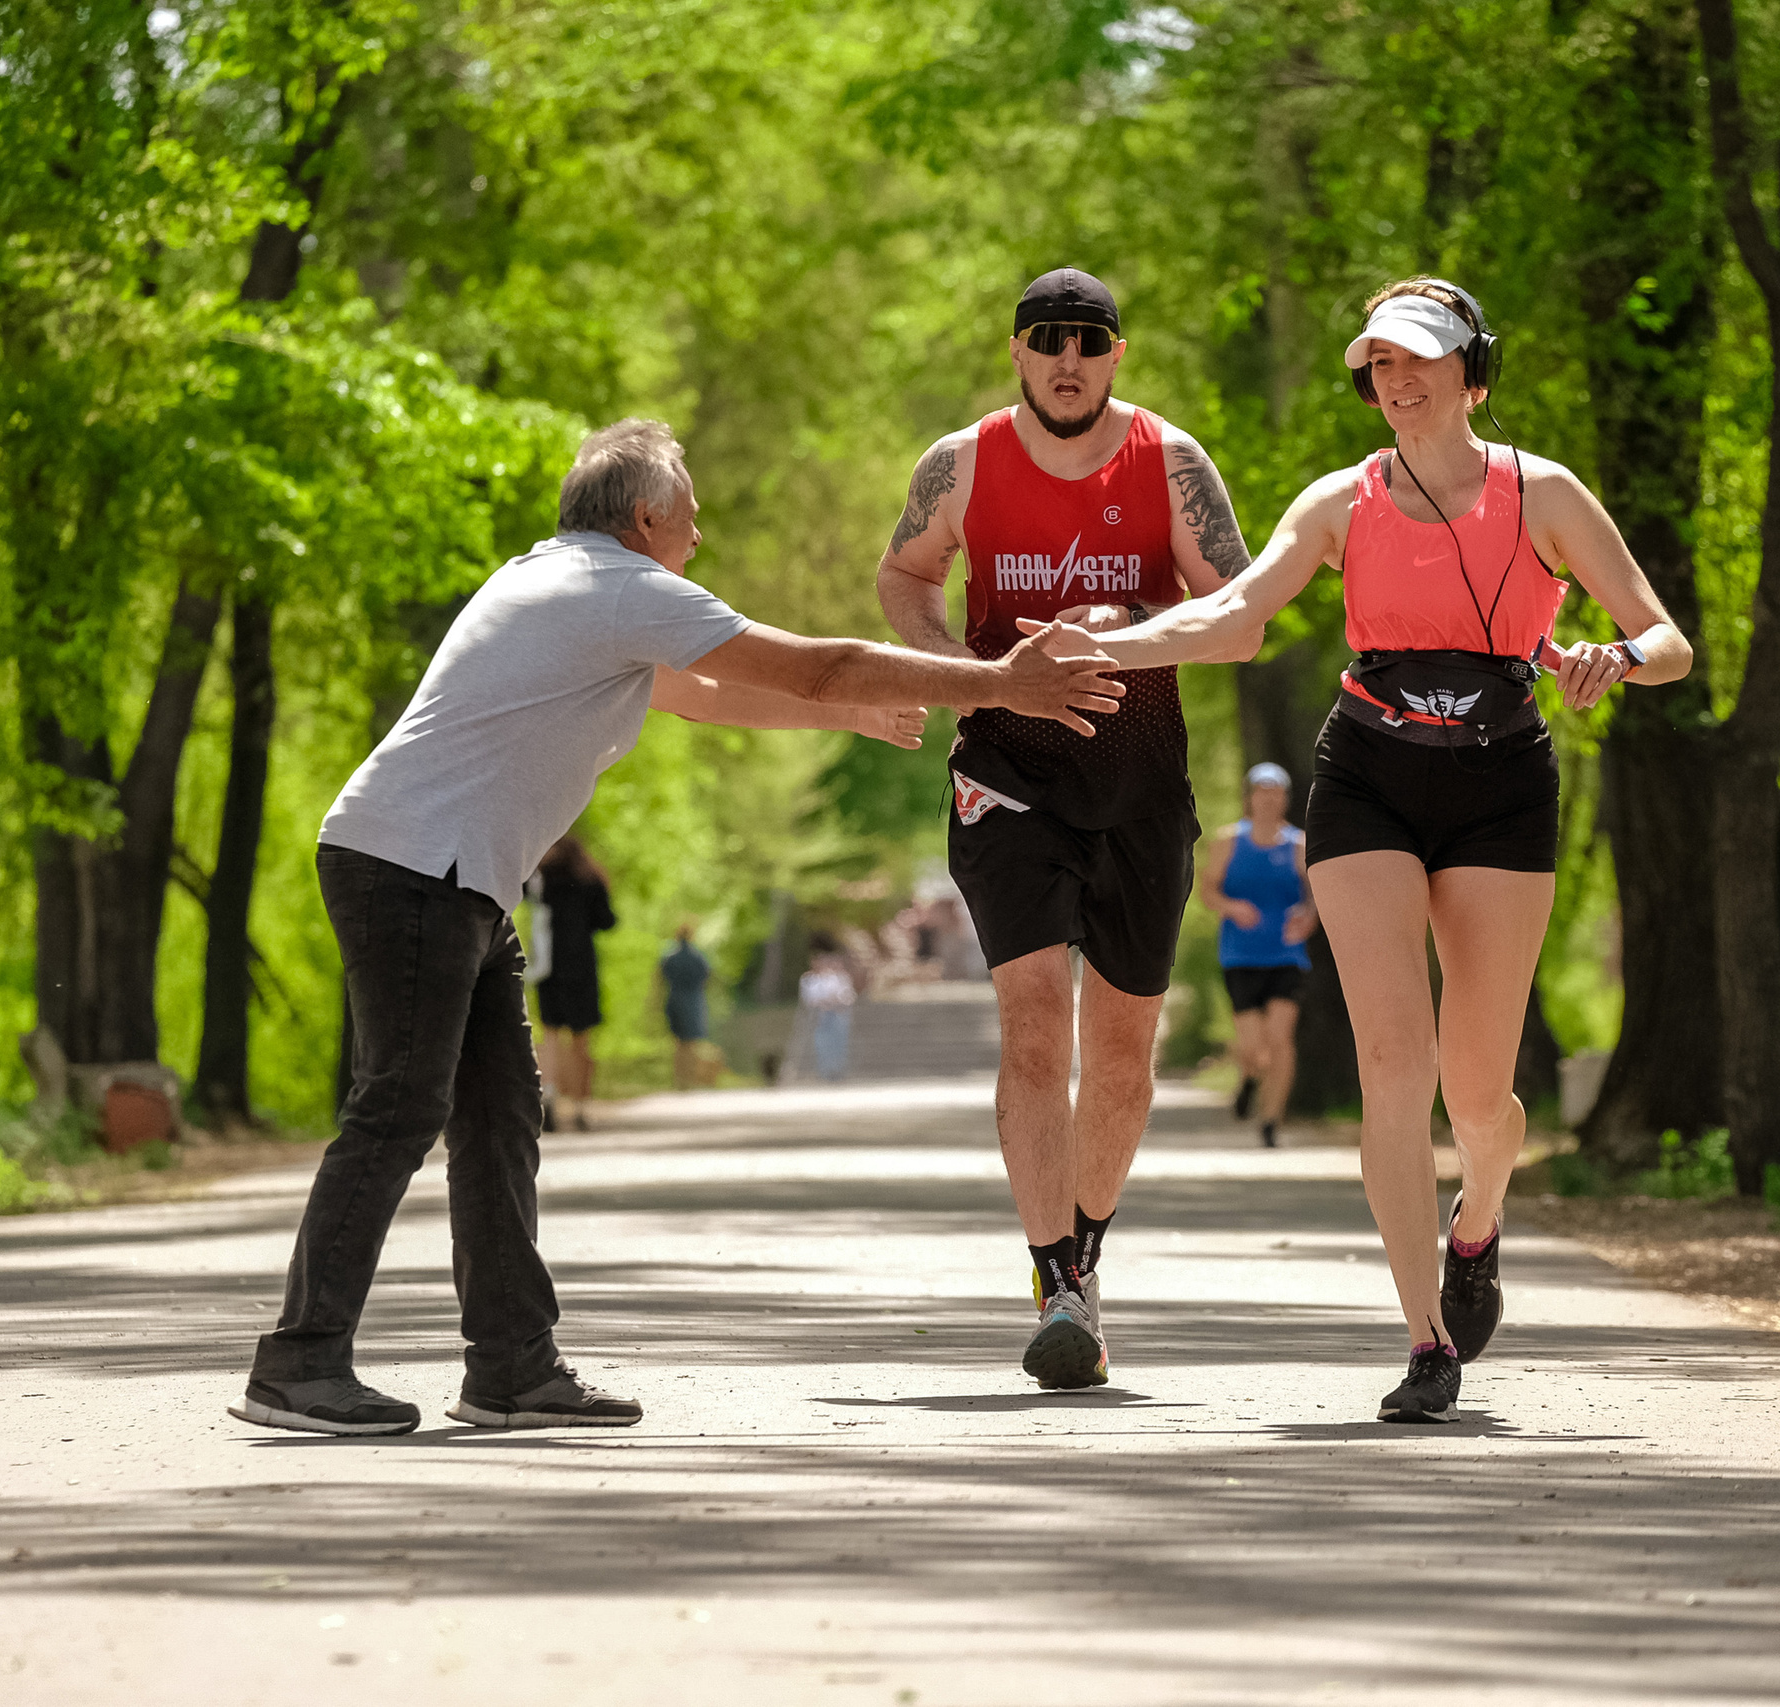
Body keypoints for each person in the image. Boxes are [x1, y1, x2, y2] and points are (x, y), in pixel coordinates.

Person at [231, 417, 1127, 1437]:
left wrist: (840, 719)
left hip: (451, 874)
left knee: (499, 1118)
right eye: (691, 520)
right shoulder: (615, 587)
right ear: (648, 517)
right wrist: (1003, 683)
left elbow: (696, 695)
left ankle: (511, 1368)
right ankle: (299, 1362)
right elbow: (814, 664)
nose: (697, 538)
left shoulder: (558, 582)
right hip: (415, 869)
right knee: (399, 1106)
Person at [1082, 279, 1693, 1424]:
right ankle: (1424, 1339)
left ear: (1474, 373)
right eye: (1378, 365)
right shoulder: (1338, 503)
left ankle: (1478, 1224)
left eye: (1419, 361)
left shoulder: (1542, 493)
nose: (1396, 381)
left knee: (1478, 1094)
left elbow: (1670, 640)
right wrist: (1122, 641)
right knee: (1392, 1067)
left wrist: (1618, 655)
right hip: (1367, 777)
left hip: (1501, 786)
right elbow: (1235, 615)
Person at [876, 267, 1254, 1392]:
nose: (1068, 359)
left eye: (1088, 341)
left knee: (1123, 1059)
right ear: (1018, 352)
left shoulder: (1172, 465)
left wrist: (1128, 628)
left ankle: (1084, 1255)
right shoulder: (961, 463)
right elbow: (904, 576)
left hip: (1140, 784)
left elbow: (1238, 619)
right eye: (1048, 340)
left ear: (1115, 356)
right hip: (1006, 777)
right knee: (1035, 1025)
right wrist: (971, 676)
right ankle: (1054, 1282)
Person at [1200, 761, 1316, 1149]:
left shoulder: (1298, 844)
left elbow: (1316, 894)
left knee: (1280, 1039)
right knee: (1252, 1046)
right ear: (1250, 797)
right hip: (1240, 956)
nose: (1268, 799)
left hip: (1287, 954)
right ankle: (1249, 1076)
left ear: (1285, 798)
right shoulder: (1228, 841)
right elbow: (1208, 892)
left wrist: (1308, 915)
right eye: (1261, 792)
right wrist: (1233, 908)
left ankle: (1270, 1122)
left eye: (1276, 792)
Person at [534, 836, 614, 1130]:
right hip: (582, 967)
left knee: (550, 1036)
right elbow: (607, 921)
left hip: (549, 968)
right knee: (581, 1040)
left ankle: (550, 1099)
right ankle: (581, 1106)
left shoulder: (542, 882)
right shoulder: (591, 880)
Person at [658, 920, 715, 1089]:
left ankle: (679, 1080)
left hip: (675, 999)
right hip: (693, 1000)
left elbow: (661, 979)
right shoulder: (698, 957)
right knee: (691, 1043)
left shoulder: (669, 957)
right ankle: (689, 1079)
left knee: (678, 1043)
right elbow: (707, 977)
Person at [799, 937, 858, 1081]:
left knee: (838, 1043)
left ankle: (838, 1070)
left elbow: (846, 996)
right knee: (822, 1044)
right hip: (821, 1016)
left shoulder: (838, 978)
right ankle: (825, 1071)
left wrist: (834, 1002)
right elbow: (809, 999)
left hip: (837, 1014)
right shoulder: (809, 980)